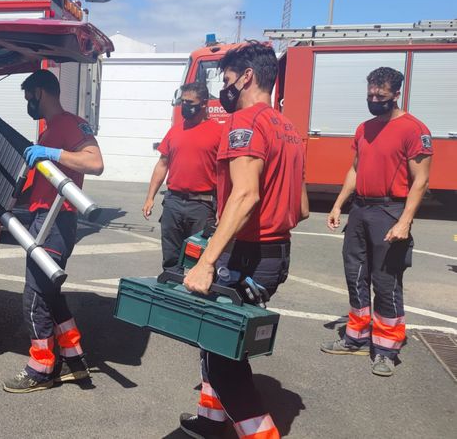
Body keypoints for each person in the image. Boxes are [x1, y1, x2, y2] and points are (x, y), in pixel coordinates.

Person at [181, 42, 308, 439]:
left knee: (223, 356)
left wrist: (206, 262)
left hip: (249, 256)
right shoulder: (287, 128)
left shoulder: (245, 122)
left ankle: (260, 434)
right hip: (272, 252)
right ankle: (211, 419)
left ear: (246, 76)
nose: (225, 86)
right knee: (214, 337)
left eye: (228, 78)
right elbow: (301, 207)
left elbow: (246, 195)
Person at [321, 67, 433, 377]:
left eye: (380, 95)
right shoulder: (364, 128)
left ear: (396, 93)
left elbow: (421, 181)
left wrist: (404, 221)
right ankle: (355, 337)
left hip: (389, 211)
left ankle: (386, 349)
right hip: (360, 211)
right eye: (370, 94)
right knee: (355, 276)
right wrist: (338, 204)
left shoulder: (413, 129)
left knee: (386, 282)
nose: (373, 99)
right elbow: (354, 170)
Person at [2, 69, 104, 393]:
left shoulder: (71, 125)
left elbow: (95, 162)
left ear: (41, 93)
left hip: (58, 222)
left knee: (34, 294)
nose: (28, 103)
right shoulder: (46, 131)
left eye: (29, 97)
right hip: (42, 219)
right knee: (49, 292)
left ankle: (41, 368)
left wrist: (53, 154)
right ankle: (74, 360)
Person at [142, 81, 222, 273]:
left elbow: (225, 174)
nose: (185, 106)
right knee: (171, 260)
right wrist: (150, 197)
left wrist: (222, 208)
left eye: (190, 103)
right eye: (182, 102)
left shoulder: (219, 132)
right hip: (173, 203)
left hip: (202, 207)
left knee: (200, 262)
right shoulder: (175, 130)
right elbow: (162, 164)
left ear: (204, 104)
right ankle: (170, 292)